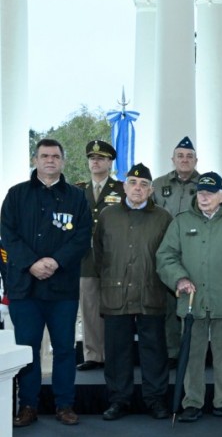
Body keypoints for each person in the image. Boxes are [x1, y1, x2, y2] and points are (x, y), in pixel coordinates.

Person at [156, 172, 222, 423]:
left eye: (210, 193)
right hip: (192, 302)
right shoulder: (181, 222)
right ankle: (192, 402)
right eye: (201, 192)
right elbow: (166, 256)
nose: (204, 198)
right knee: (192, 353)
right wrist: (179, 278)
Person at [2, 139, 92, 427]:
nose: (50, 160)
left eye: (55, 156)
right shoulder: (16, 195)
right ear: (35, 159)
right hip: (25, 287)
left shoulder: (77, 197)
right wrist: (32, 263)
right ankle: (27, 405)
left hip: (62, 287)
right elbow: (7, 235)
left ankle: (64, 404)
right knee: (27, 348)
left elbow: (82, 236)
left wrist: (55, 262)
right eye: (44, 155)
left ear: (63, 161)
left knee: (64, 348)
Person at [93, 163, 173, 421]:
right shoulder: (108, 215)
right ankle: (119, 400)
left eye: (143, 185)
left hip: (151, 293)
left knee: (154, 351)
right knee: (117, 351)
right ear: (124, 186)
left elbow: (169, 255)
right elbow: (98, 253)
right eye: (133, 183)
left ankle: (155, 399)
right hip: (115, 294)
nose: (138, 188)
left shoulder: (163, 217)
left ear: (151, 190)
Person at [152, 136, 200, 368]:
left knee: (193, 305)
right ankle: (172, 353)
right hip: (167, 254)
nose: (184, 159)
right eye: (180, 156)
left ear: (196, 160)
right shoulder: (159, 184)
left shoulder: (205, 184)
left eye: (189, 156)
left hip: (196, 253)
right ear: (172, 159)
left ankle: (191, 353)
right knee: (169, 307)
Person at [75, 140, 124, 372]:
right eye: (92, 158)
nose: (96, 161)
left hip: (115, 257)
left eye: (101, 158)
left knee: (115, 307)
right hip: (85, 258)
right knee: (89, 307)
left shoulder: (122, 189)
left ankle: (114, 353)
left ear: (110, 162)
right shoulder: (77, 190)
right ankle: (93, 354)